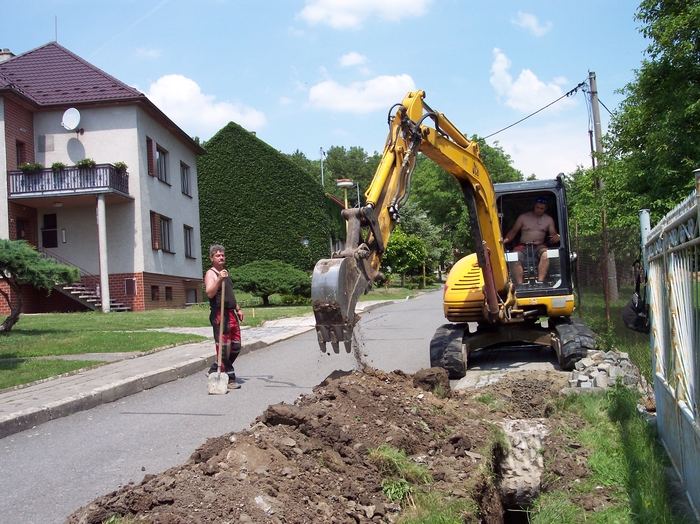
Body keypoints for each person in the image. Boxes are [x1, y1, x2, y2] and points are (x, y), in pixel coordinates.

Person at [205, 244, 244, 389]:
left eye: (222, 255)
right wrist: (218, 279)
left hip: (231, 313)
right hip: (219, 314)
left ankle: (216, 367)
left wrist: (238, 309)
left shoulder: (225, 273)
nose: (221, 257)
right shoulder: (211, 273)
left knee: (236, 346)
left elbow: (229, 294)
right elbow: (210, 293)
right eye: (217, 255)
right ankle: (230, 377)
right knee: (224, 347)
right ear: (211, 258)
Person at [503, 197, 561, 284]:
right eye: (537, 207)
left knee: (546, 255)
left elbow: (553, 234)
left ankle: (540, 282)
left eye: (541, 208)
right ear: (534, 206)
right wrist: (505, 240)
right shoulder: (523, 217)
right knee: (514, 257)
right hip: (522, 246)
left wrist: (557, 237)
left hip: (539, 246)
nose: (539, 210)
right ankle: (520, 285)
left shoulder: (549, 220)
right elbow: (513, 231)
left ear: (545, 208)